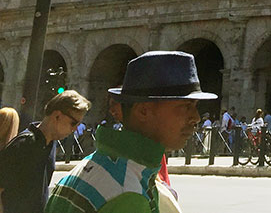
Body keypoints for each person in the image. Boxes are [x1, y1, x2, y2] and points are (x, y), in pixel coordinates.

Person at [46, 50, 216, 213]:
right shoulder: (128, 194)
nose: (196, 117)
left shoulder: (93, 165)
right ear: (143, 111)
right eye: (186, 106)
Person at [0, 91, 89, 213]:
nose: (74, 129)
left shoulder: (51, 145)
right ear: (57, 116)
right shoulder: (24, 144)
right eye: (73, 123)